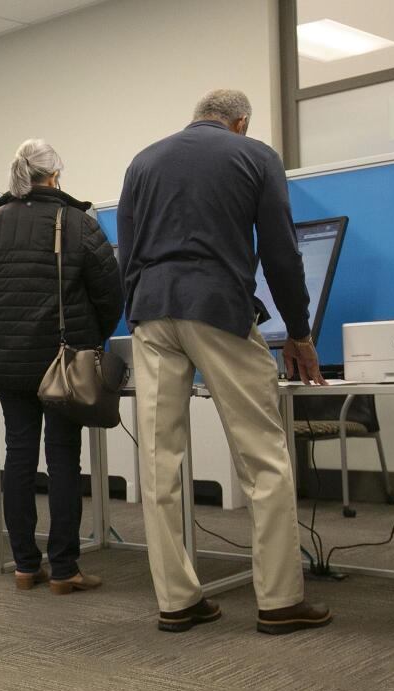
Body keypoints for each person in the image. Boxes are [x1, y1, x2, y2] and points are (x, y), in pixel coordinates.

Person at [117, 89, 332, 634]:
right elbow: (281, 253)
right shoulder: (255, 155)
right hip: (216, 307)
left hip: (151, 314)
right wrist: (299, 332)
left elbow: (127, 250)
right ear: (240, 123)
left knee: (159, 464)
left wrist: (139, 312)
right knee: (264, 455)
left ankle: (177, 601)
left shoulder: (143, 161)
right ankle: (280, 600)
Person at [0, 139, 124, 594]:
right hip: (62, 361)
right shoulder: (77, 224)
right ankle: (66, 568)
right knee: (64, 457)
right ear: (54, 177)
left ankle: (26, 565)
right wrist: (91, 339)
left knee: (19, 456)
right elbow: (111, 294)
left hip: (7, 364)